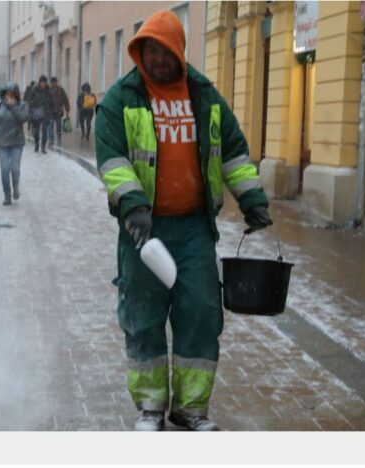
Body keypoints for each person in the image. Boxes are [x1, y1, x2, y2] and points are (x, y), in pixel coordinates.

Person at [94, 10, 272, 432]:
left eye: (163, 51)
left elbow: (232, 152)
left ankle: (191, 408)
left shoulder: (204, 95)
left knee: (201, 312)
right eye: (148, 51)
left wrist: (253, 199)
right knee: (144, 314)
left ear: (178, 51)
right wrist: (133, 206)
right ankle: (151, 407)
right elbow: (113, 160)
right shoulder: (122, 97)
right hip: (145, 232)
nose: (156, 59)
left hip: (194, 229)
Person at [0, 82, 28, 206]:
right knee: (5, 169)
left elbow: (22, 118)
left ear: (16, 95)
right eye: (7, 94)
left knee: (15, 168)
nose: (8, 97)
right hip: (2, 142)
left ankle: (15, 184)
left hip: (16, 142)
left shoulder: (22, 105)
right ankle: (7, 194)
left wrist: (13, 107)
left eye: (11, 94)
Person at [27, 75, 52, 154]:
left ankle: (43, 147)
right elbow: (30, 101)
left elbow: (51, 102)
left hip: (46, 114)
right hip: (37, 113)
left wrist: (51, 111)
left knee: (45, 131)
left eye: (44, 82)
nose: (43, 84)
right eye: (42, 82)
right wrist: (31, 109)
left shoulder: (48, 91)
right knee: (36, 132)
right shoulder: (35, 90)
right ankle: (37, 144)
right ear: (39, 82)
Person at [47, 76, 70, 146]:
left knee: (59, 126)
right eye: (52, 83)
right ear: (51, 83)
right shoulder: (48, 90)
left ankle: (59, 137)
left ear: (56, 83)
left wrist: (67, 108)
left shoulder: (60, 90)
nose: (54, 84)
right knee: (50, 125)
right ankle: (51, 139)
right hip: (50, 111)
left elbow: (65, 99)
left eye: (55, 82)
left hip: (58, 111)